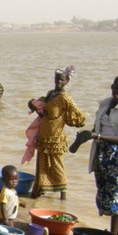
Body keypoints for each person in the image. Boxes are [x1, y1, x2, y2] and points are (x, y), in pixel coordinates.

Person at [70, 75, 118, 235]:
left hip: (117, 156)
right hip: (101, 153)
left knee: (116, 195)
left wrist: (97, 135)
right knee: (105, 194)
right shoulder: (104, 104)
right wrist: (89, 135)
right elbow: (97, 127)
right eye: (117, 88)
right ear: (112, 87)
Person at [25, 65, 85, 199]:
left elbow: (78, 115)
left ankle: (63, 196)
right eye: (57, 79)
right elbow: (43, 109)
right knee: (42, 164)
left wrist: (68, 120)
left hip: (56, 137)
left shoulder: (65, 97)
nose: (59, 82)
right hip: (44, 135)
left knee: (57, 165)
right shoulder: (51, 93)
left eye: (62, 80)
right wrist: (35, 105)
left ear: (67, 82)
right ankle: (38, 191)